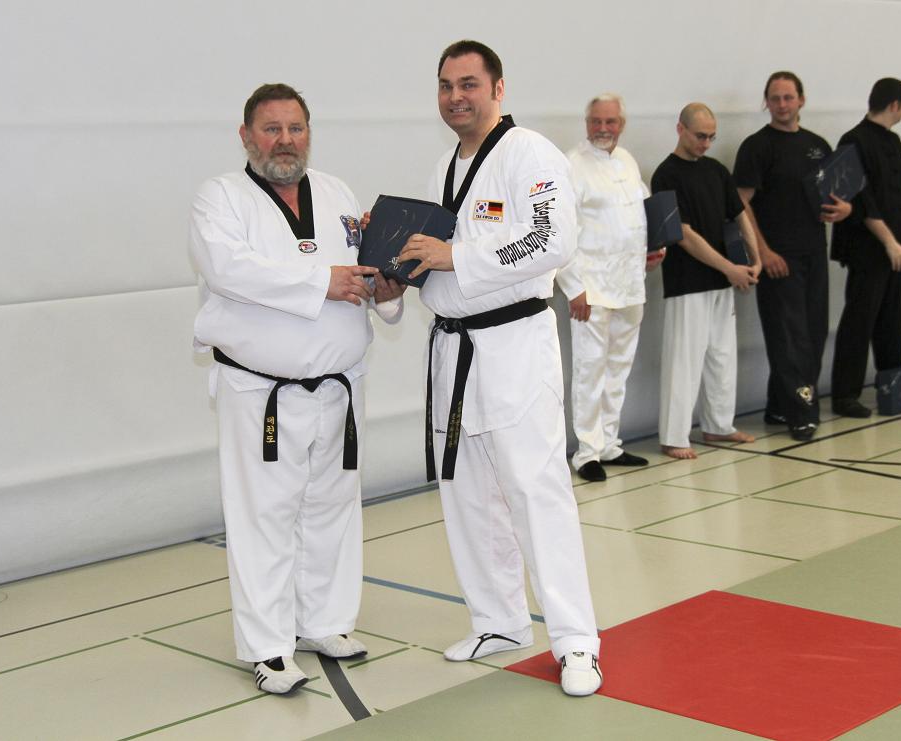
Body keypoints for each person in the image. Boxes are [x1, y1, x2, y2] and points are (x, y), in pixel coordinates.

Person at [396, 40, 602, 697]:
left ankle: (576, 640)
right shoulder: (445, 166)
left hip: (514, 344)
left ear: (498, 88)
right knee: (468, 493)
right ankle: (499, 620)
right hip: (453, 349)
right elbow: (436, 257)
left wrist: (456, 256)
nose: (455, 96)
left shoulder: (529, 153)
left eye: (468, 84)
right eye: (445, 85)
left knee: (536, 493)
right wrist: (394, 259)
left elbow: (549, 239)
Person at [188, 83, 405, 694]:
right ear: (246, 135)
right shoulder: (220, 199)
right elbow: (229, 271)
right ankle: (268, 646)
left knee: (332, 507)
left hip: (340, 386)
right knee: (264, 515)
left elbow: (362, 274)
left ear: (310, 132)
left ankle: (324, 623)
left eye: (296, 128)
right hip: (262, 393)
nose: (285, 140)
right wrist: (320, 282)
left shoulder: (337, 194)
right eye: (272, 128)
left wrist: (387, 292)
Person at [734, 71, 851, 441]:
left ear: (802, 100)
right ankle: (801, 413)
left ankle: (778, 405)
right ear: (766, 102)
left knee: (813, 332)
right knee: (790, 338)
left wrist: (845, 209)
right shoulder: (757, 147)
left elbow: (837, 194)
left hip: (814, 253)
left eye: (788, 97)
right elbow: (740, 203)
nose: (782, 104)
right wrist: (763, 252)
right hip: (778, 258)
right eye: (775, 98)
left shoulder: (817, 145)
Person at [556, 93, 662, 482]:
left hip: (630, 283)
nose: (603, 128)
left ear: (622, 124)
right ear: (586, 124)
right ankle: (587, 452)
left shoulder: (628, 162)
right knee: (590, 370)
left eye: (610, 121)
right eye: (596, 121)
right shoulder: (572, 164)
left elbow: (642, 215)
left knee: (618, 368)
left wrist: (654, 249)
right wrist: (573, 287)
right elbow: (561, 232)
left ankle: (610, 444)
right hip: (592, 289)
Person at [650, 103, 760, 459]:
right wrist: (729, 267)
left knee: (722, 356)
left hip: (722, 280)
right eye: (700, 136)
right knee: (684, 359)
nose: (706, 143)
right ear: (680, 129)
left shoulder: (716, 170)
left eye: (712, 137)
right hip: (687, 282)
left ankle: (718, 425)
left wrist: (754, 258)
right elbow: (682, 234)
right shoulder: (665, 175)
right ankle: (674, 436)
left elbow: (740, 215)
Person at [829, 78, 901, 418]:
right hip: (868, 248)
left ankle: (892, 386)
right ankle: (845, 394)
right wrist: (889, 242)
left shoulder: (893, 140)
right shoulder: (852, 141)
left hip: (897, 245)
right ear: (895, 104)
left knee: (892, 321)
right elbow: (862, 199)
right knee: (859, 321)